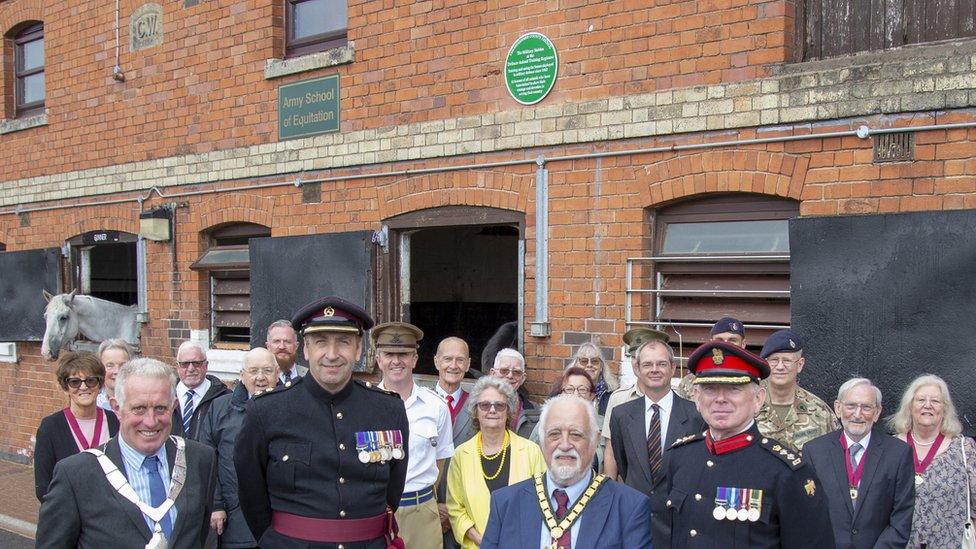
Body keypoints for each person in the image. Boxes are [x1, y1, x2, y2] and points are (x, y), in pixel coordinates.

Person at [234, 296, 410, 548]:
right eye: (320, 342)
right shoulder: (267, 410)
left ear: (359, 349)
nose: (331, 354)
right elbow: (251, 494)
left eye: (343, 342)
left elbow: (392, 491)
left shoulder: (388, 409)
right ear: (305, 349)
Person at [667, 341, 834, 547]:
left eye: (733, 389)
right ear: (697, 399)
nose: (720, 399)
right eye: (710, 389)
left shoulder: (786, 472)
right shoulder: (679, 457)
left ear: (758, 399)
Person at [36, 358, 217, 548]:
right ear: (117, 408)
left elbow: (199, 536)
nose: (150, 421)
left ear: (173, 406)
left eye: (160, 408)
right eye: (139, 409)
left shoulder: (200, 459)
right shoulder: (75, 475)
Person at [480, 394, 653, 549]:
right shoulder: (505, 503)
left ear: (594, 441)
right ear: (541, 441)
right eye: (554, 434)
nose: (564, 445)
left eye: (576, 435)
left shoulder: (629, 507)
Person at [610, 339, 705, 547]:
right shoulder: (621, 415)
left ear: (672, 368)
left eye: (661, 364)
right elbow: (624, 466)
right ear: (637, 369)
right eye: (647, 364)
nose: (655, 370)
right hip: (636, 520)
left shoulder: (696, 416)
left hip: (679, 523)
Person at [803, 378, 914, 548]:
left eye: (866, 407)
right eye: (851, 406)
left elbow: (902, 517)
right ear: (838, 408)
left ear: (877, 412)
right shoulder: (814, 451)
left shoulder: (898, 454)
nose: (857, 414)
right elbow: (807, 513)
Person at [373, 322, 454, 549]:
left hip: (422, 510)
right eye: (389, 354)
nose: (396, 361)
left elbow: (440, 459)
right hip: (378, 511)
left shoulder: (436, 407)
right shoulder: (366, 406)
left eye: (404, 354)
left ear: (415, 359)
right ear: (378, 359)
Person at [446, 376, 545, 548]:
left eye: (499, 405)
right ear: (475, 410)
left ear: (509, 411)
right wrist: (483, 541)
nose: (492, 410)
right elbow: (455, 508)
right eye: (485, 405)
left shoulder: (531, 451)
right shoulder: (461, 454)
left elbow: (543, 503)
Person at [198, 347, 277, 549]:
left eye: (267, 371)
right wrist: (216, 505)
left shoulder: (290, 409)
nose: (261, 377)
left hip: (280, 518)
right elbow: (207, 459)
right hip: (234, 518)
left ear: (277, 374)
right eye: (253, 371)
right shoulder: (219, 408)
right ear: (242, 375)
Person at [888, 374, 976, 547]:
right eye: (920, 400)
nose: (927, 405)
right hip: (898, 544)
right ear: (910, 406)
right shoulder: (890, 447)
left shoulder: (964, 449)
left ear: (944, 409)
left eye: (935, 401)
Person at [34, 351, 120, 501]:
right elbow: (43, 486)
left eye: (91, 381)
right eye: (75, 382)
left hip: (110, 515)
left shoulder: (115, 421)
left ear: (100, 384)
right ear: (65, 387)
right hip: (69, 516)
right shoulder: (50, 427)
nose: (84, 387)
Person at [600, 326, 670, 479]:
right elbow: (611, 450)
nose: (634, 362)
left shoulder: (677, 399)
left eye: (639, 356)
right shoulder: (618, 399)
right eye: (632, 357)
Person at [755, 329, 837, 453]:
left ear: (800, 364)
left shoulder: (820, 411)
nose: (780, 367)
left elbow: (834, 456)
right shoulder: (747, 405)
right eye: (774, 360)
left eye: (787, 360)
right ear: (765, 363)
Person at [433, 337, 476, 549]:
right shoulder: (422, 404)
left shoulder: (479, 407)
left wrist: (454, 509)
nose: (453, 365)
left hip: (465, 513)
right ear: (436, 362)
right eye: (447, 359)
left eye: (460, 360)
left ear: (468, 364)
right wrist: (434, 506)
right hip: (426, 509)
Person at [675, 316, 745, 400]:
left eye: (732, 340)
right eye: (719, 340)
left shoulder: (757, 382)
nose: (726, 345)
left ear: (743, 344)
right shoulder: (690, 382)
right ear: (711, 343)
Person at [171, 341, 230, 440]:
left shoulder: (224, 398)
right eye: (185, 364)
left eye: (196, 363)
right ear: (177, 367)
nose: (191, 369)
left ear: (206, 365)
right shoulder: (164, 395)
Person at [488, 348, 537, 438]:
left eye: (517, 372)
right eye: (504, 370)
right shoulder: (478, 406)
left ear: (523, 378)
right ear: (493, 373)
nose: (510, 376)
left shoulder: (535, 412)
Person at [571, 342, 618, 417]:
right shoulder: (564, 392)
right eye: (584, 361)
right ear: (576, 365)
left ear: (601, 367)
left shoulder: (613, 397)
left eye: (594, 361)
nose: (589, 365)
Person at [265, 320, 305, 387]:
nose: (282, 346)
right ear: (268, 346)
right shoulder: (260, 379)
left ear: (296, 346)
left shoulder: (310, 375)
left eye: (287, 341)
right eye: (277, 341)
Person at [96, 339, 132, 412]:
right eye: (110, 366)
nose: (117, 371)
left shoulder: (141, 400)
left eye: (123, 365)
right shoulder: (93, 405)